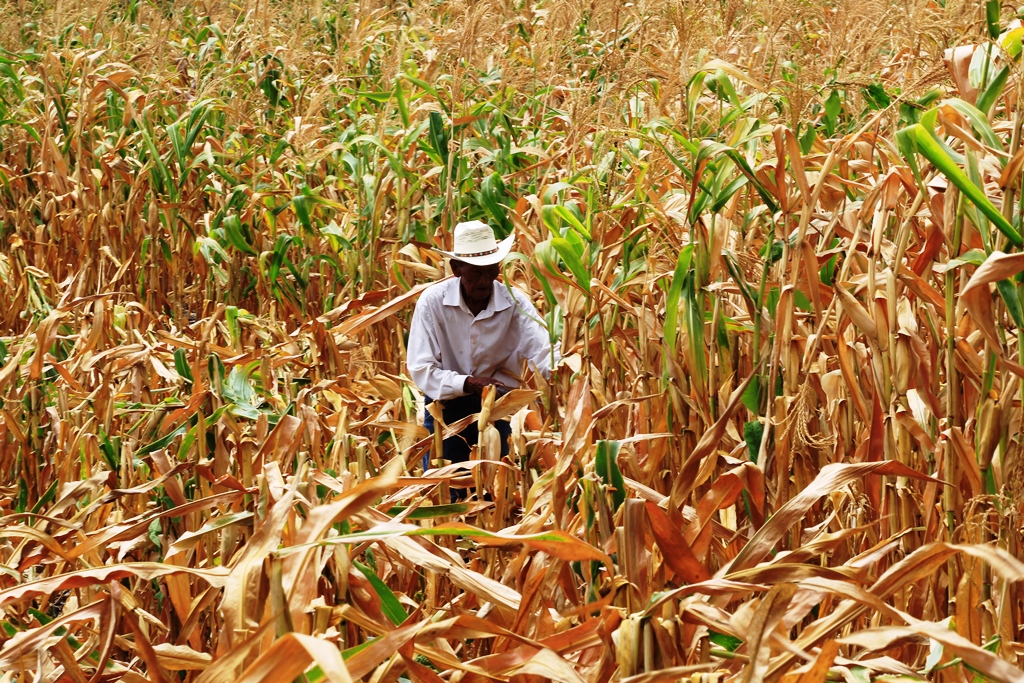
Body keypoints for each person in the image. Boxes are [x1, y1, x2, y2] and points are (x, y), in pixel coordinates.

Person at [407, 221, 559, 470]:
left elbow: (544, 351)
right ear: (457, 269)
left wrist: (566, 373)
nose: (485, 281)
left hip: (500, 407)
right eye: (476, 272)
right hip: (445, 411)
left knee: (500, 490)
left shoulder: (515, 303)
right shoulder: (433, 303)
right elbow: (422, 369)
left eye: (491, 271)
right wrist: (468, 382)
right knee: (448, 491)